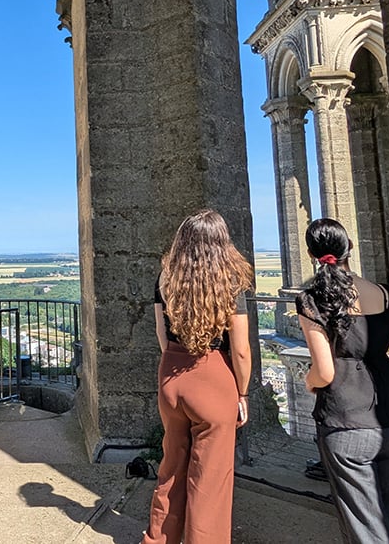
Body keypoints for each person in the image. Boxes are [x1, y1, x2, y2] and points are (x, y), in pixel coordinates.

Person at [296, 218, 389, 544]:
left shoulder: (312, 300)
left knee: (366, 533)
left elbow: (325, 371)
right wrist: (378, 367)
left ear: (311, 253)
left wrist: (311, 382)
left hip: (345, 425)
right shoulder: (387, 296)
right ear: (349, 248)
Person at [143, 209, 253, 544]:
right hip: (213, 377)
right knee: (210, 479)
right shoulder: (231, 282)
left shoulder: (166, 279)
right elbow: (241, 350)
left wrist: (172, 367)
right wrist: (242, 393)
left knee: (171, 467)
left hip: (172, 376)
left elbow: (162, 335)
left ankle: (158, 539)